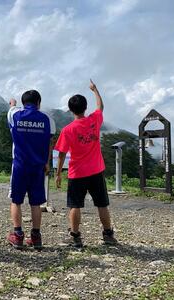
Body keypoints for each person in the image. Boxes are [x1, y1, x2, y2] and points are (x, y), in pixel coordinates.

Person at [54, 79, 117, 248]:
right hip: (96, 170)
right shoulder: (94, 120)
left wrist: (58, 174)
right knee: (102, 204)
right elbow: (100, 107)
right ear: (85, 107)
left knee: (75, 205)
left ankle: (75, 237)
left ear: (70, 109)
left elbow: (61, 154)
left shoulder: (68, 130)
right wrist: (95, 89)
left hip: (77, 173)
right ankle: (108, 235)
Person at [7, 90, 56, 250]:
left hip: (20, 165)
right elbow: (50, 143)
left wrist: (13, 105)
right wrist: (47, 163)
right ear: (39, 103)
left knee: (16, 200)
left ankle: (18, 235)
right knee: (36, 202)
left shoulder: (15, 115)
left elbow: (12, 108)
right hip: (38, 167)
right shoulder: (48, 120)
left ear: (23, 103)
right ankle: (36, 236)